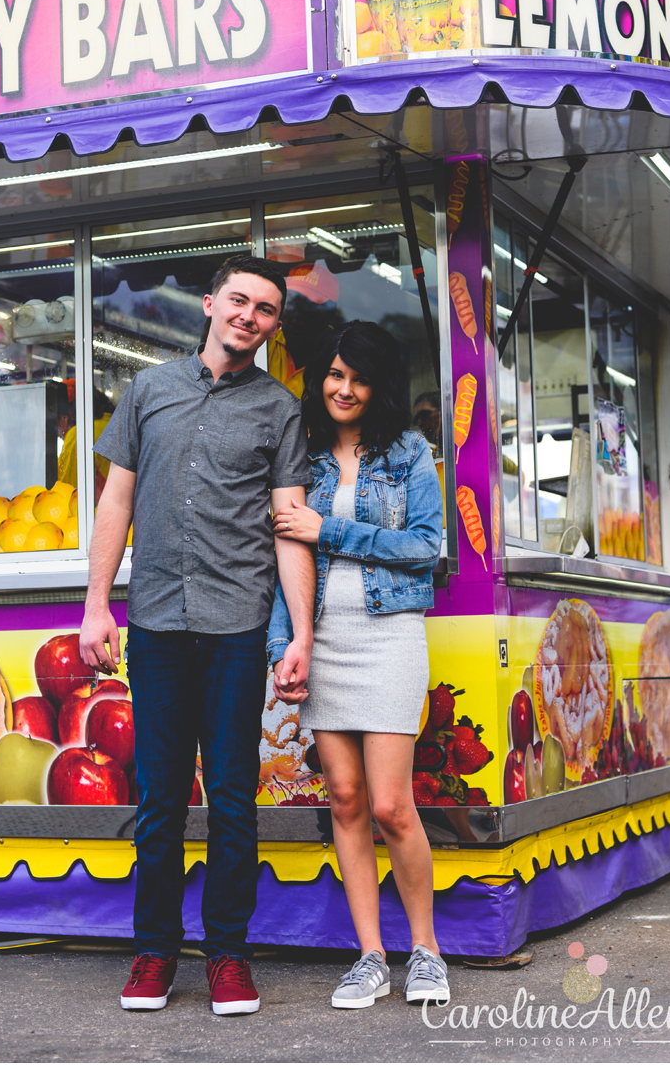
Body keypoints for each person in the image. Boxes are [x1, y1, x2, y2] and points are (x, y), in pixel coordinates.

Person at [80, 255, 315, 1016]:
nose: (249, 316)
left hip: (237, 624)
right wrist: (95, 605)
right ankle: (154, 953)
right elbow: (116, 502)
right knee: (157, 799)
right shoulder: (148, 389)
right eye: (240, 301)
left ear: (274, 326)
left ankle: (229, 957)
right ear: (210, 303)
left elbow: (287, 526)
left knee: (235, 799)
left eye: (266, 310)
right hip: (152, 621)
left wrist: (299, 632)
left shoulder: (279, 408)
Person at [265, 321, 448, 1009]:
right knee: (342, 799)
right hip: (324, 637)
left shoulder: (407, 451)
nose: (344, 389)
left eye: (358, 378)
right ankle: (369, 954)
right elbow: (286, 562)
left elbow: (424, 546)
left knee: (392, 804)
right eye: (334, 375)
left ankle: (426, 950)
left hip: (390, 634)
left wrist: (330, 529)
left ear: (380, 385)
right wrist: (285, 643)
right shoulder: (301, 454)